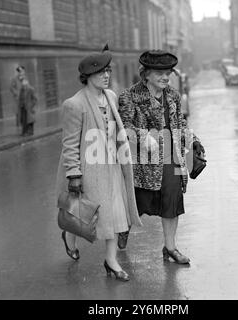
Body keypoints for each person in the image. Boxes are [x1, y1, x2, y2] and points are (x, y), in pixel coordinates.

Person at [55, 46, 142, 281]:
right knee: (83, 214)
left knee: (114, 213)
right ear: (88, 76)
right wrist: (74, 174)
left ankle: (110, 261)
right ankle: (69, 237)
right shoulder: (74, 104)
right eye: (101, 72)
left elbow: (115, 130)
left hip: (112, 166)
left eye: (109, 71)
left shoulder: (111, 96)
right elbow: (70, 144)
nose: (107, 76)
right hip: (88, 168)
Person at [118, 50, 203, 264]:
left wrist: (194, 141)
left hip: (171, 159)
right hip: (143, 164)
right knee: (136, 203)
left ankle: (170, 247)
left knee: (172, 202)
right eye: (160, 73)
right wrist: (142, 136)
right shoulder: (130, 96)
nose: (166, 77)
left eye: (168, 73)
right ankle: (123, 228)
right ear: (146, 74)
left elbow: (180, 124)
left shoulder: (172, 95)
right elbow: (124, 127)